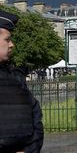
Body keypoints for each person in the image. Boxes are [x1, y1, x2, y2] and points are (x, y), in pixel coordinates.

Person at [0, 10, 44, 153]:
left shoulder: (15, 78)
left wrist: (29, 150)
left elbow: (35, 117)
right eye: (7, 40)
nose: (12, 44)